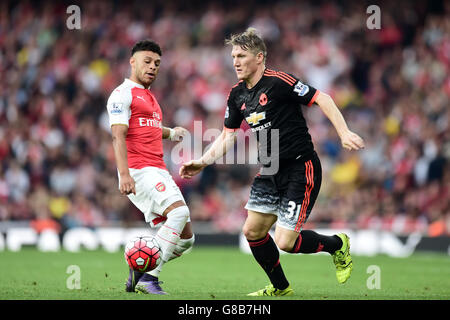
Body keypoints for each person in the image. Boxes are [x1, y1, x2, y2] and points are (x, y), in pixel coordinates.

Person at [180, 28, 365, 296]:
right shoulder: (237, 95)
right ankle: (281, 288)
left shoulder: (279, 81)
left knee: (285, 242)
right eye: (233, 56)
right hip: (269, 169)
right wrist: (202, 161)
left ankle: (337, 244)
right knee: (252, 231)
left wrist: (344, 132)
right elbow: (227, 136)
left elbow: (321, 98)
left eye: (241, 55)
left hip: (300, 168)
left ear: (259, 58)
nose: (235, 61)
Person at [106, 39, 195, 295]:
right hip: (139, 170)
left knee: (186, 241)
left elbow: (148, 128)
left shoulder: (149, 97)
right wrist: (124, 174)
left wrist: (171, 132)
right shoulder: (122, 94)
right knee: (179, 214)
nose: (153, 67)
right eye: (147, 61)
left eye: (157, 63)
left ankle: (140, 267)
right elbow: (118, 135)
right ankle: (149, 278)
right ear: (132, 61)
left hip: (157, 169)